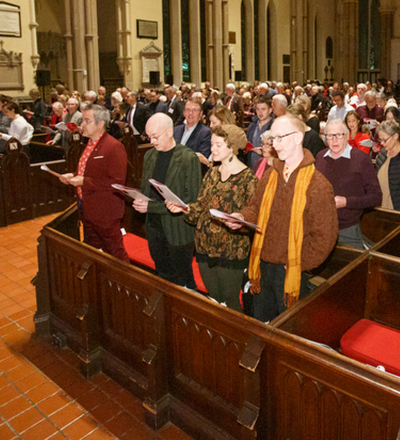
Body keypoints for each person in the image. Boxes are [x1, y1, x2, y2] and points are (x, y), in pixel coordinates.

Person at [226, 115, 338, 322]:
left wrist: (299, 262)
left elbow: (325, 237)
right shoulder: (271, 175)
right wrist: (241, 217)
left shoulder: (318, 185)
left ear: (297, 137)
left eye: (279, 138)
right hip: (263, 264)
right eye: (272, 139)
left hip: (290, 269)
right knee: (261, 324)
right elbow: (256, 209)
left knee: (288, 330)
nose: (274, 145)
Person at [166, 125, 257, 310]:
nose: (212, 149)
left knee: (230, 302)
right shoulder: (212, 172)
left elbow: (254, 215)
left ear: (231, 147)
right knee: (214, 299)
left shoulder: (249, 178)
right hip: (204, 245)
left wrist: (239, 220)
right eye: (212, 144)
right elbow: (201, 206)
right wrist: (184, 208)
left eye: (217, 145)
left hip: (231, 249)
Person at [133, 113, 202, 288]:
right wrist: (138, 199)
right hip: (154, 227)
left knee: (184, 281)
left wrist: (151, 207)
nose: (152, 141)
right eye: (149, 137)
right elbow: (145, 189)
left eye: (155, 136)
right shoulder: (150, 156)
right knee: (163, 276)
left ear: (170, 131)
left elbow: (191, 201)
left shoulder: (187, 158)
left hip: (177, 229)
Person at [58, 105, 130, 261]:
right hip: (88, 209)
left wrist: (83, 181)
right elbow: (91, 172)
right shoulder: (90, 144)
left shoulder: (114, 146)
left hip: (106, 212)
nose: (81, 124)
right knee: (92, 252)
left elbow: (116, 182)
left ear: (100, 124)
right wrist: (73, 176)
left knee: (116, 254)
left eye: (86, 121)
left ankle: (124, 284)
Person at [315, 118, 382, 249]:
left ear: (347, 136)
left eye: (338, 135)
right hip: (321, 226)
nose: (334, 140)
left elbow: (376, 197)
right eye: (330, 136)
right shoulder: (320, 157)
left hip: (348, 228)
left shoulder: (360, 159)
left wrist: (346, 202)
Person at [246, 96, 274, 172]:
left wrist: (263, 151)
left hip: (268, 168)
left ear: (270, 110)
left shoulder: (274, 127)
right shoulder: (252, 126)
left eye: (263, 109)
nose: (260, 113)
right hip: (251, 167)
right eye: (257, 109)